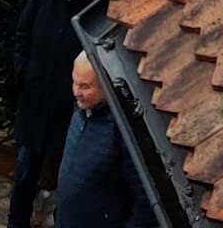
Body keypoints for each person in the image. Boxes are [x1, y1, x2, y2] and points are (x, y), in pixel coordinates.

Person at [10, 0, 105, 228]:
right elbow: (23, 34)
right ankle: (16, 223)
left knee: (69, 173)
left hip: (70, 104)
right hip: (36, 100)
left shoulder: (94, 3)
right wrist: (23, 72)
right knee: (26, 168)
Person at [55, 52, 152, 228]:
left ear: (106, 87)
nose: (76, 92)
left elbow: (145, 202)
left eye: (85, 86)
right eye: (74, 82)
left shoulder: (123, 132)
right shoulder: (81, 109)